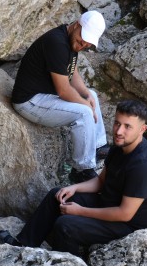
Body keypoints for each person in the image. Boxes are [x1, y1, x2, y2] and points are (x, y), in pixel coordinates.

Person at [0, 100, 147, 256]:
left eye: (127, 126)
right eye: (117, 123)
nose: (119, 131)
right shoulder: (119, 147)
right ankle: (24, 244)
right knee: (57, 195)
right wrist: (74, 188)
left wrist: (80, 211)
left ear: (142, 129)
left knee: (66, 225)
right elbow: (100, 182)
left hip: (131, 227)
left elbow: (125, 214)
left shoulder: (144, 166)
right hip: (110, 204)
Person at [11, 10, 109, 184]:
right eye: (81, 40)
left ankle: (98, 147)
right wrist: (85, 105)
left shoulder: (69, 39)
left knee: (92, 94)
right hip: (29, 101)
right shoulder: (56, 42)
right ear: (77, 24)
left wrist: (86, 94)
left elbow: (72, 71)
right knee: (83, 113)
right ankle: (82, 170)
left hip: (45, 96)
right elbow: (64, 90)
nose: (82, 45)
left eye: (86, 44)